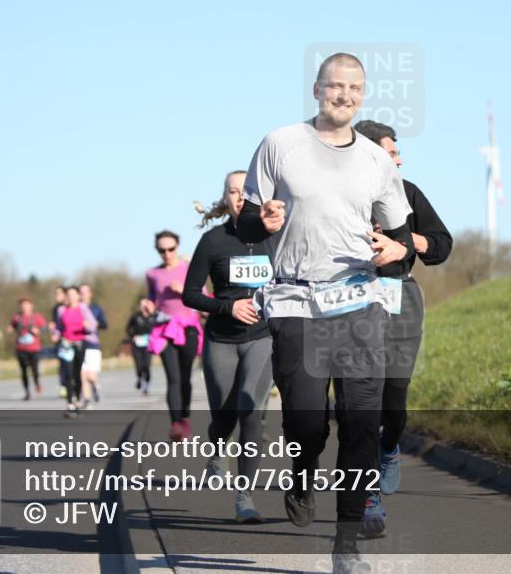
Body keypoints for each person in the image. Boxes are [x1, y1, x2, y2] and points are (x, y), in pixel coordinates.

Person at [237, 53, 413, 574]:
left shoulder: (377, 162)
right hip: (296, 300)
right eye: (335, 86)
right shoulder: (280, 144)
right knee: (306, 420)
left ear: (363, 93)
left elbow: (401, 235)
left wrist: (398, 251)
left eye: (354, 87)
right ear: (317, 89)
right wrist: (261, 222)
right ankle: (301, 468)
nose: (344, 95)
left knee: (362, 422)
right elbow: (246, 219)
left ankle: (346, 546)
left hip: (359, 301)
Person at [354, 120, 453, 537]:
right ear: (372, 156)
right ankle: (366, 497)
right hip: (350, 301)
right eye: (392, 153)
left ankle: (390, 447)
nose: (399, 159)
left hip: (400, 298)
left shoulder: (409, 192)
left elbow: (442, 243)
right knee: (358, 404)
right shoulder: (340, 195)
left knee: (393, 401)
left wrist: (407, 242)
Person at [183, 170, 275, 524]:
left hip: (263, 337)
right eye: (233, 192)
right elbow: (190, 294)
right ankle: (217, 448)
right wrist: (228, 306)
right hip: (222, 339)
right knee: (224, 416)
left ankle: (245, 496)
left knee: (250, 410)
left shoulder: (277, 239)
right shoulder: (213, 241)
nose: (239, 197)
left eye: (246, 192)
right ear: (225, 200)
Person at [147, 231, 203, 441]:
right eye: (162, 250)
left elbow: (203, 296)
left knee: (185, 377)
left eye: (170, 249)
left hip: (187, 327)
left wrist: (184, 290)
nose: (167, 254)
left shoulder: (189, 269)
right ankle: (175, 423)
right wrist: (147, 305)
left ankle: (185, 416)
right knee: (173, 378)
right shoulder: (153, 274)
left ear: (177, 247)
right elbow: (152, 298)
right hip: (164, 329)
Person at [55, 285, 97, 417]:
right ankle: (70, 402)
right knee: (67, 373)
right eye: (69, 295)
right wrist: (55, 334)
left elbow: (93, 325)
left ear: (78, 296)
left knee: (77, 374)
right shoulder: (61, 310)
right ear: (66, 297)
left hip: (79, 344)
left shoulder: (83, 308)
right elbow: (59, 327)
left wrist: (87, 327)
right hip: (66, 344)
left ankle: (77, 399)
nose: (71, 297)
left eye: (74, 294)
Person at [9, 298, 46, 400]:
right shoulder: (17, 317)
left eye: (26, 305)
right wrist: (10, 329)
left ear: (31, 306)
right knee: (24, 371)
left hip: (34, 348)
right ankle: (27, 392)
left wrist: (37, 330)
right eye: (22, 305)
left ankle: (37, 382)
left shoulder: (37, 317)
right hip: (21, 348)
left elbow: (44, 329)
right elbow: (12, 326)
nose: (24, 307)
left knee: (35, 370)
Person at [126, 299, 166, 395]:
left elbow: (157, 328)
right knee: (139, 365)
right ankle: (139, 377)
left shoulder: (153, 316)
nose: (143, 307)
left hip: (148, 344)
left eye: (145, 305)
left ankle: (146, 387)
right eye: (141, 305)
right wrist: (133, 336)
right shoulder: (135, 316)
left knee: (147, 366)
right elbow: (128, 328)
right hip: (137, 344)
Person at [79, 283, 108, 405]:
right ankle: (87, 400)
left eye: (85, 291)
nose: (83, 294)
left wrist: (94, 323)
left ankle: (96, 385)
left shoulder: (96, 308)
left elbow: (105, 325)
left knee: (90, 375)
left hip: (92, 344)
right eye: (81, 292)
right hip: (79, 343)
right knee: (82, 374)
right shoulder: (76, 308)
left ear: (90, 293)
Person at [48, 285, 69, 398]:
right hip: (60, 340)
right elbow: (54, 324)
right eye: (55, 294)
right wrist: (53, 332)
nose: (56, 296)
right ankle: (63, 386)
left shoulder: (71, 306)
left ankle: (73, 384)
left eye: (58, 293)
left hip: (72, 339)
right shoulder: (56, 308)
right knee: (62, 363)